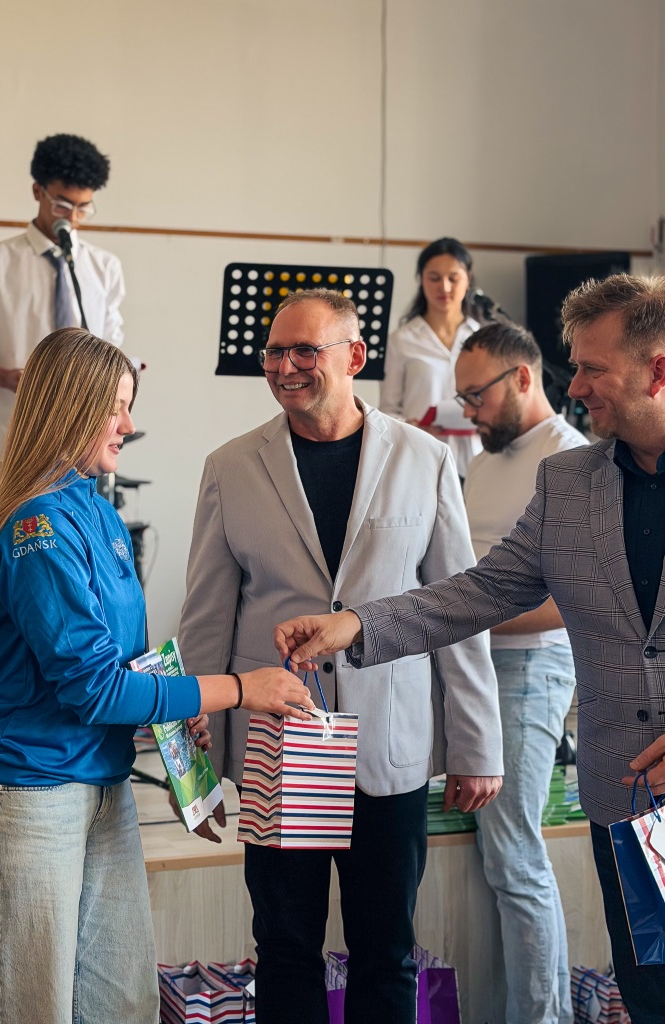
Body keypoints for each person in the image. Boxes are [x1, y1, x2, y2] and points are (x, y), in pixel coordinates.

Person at [275, 274, 665, 1024]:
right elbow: (479, 591)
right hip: (623, 798)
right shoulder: (569, 482)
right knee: (648, 993)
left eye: (593, 368)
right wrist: (355, 625)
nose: (576, 386)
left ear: (657, 370)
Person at [0, 328, 312, 1024]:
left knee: (122, 1005)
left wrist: (182, 745)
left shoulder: (99, 512)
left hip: (103, 789)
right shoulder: (37, 527)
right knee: (27, 1010)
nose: (128, 424)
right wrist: (242, 689)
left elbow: (133, 666)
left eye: (128, 405)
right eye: (115, 407)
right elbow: (94, 688)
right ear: (71, 406)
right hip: (29, 797)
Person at [177, 289, 503, 1024]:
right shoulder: (231, 465)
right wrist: (189, 770)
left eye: (305, 350)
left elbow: (457, 609)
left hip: (389, 744)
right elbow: (205, 620)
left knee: (386, 950)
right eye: (273, 353)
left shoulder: (424, 458)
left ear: (354, 357)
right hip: (279, 747)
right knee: (284, 946)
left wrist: (477, 744)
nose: (284, 366)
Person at [455, 321, 588, 1024]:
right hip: (473, 668)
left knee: (514, 857)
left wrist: (460, 617)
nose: (469, 412)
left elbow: (572, 601)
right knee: (494, 856)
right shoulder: (485, 462)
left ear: (523, 378)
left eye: (476, 395)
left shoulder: (569, 458)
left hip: (529, 670)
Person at [0, 133, 126, 486]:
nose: (72, 217)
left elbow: (111, 345)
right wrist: (5, 377)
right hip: (14, 445)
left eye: (83, 208)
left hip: (86, 448)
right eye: (62, 205)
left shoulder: (105, 268)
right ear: (38, 191)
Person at [379, 236, 481, 477]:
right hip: (420, 456)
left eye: (453, 278)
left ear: (468, 280)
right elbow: (387, 412)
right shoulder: (402, 340)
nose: (444, 287)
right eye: (434, 278)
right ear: (421, 280)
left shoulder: (483, 337)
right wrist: (412, 427)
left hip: (475, 461)